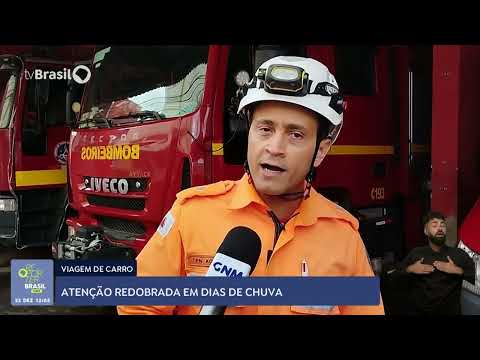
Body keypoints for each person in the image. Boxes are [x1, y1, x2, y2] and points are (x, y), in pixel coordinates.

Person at [117, 56, 384, 315]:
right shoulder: (192, 214)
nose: (275, 148)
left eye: (296, 135)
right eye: (265, 129)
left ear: (321, 151)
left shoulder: (343, 237)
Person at [399, 211, 475, 315]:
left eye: (442, 225)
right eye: (434, 225)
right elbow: (395, 278)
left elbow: (475, 278)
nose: (440, 228)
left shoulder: (458, 254)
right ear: (426, 231)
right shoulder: (416, 253)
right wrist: (410, 269)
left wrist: (458, 270)